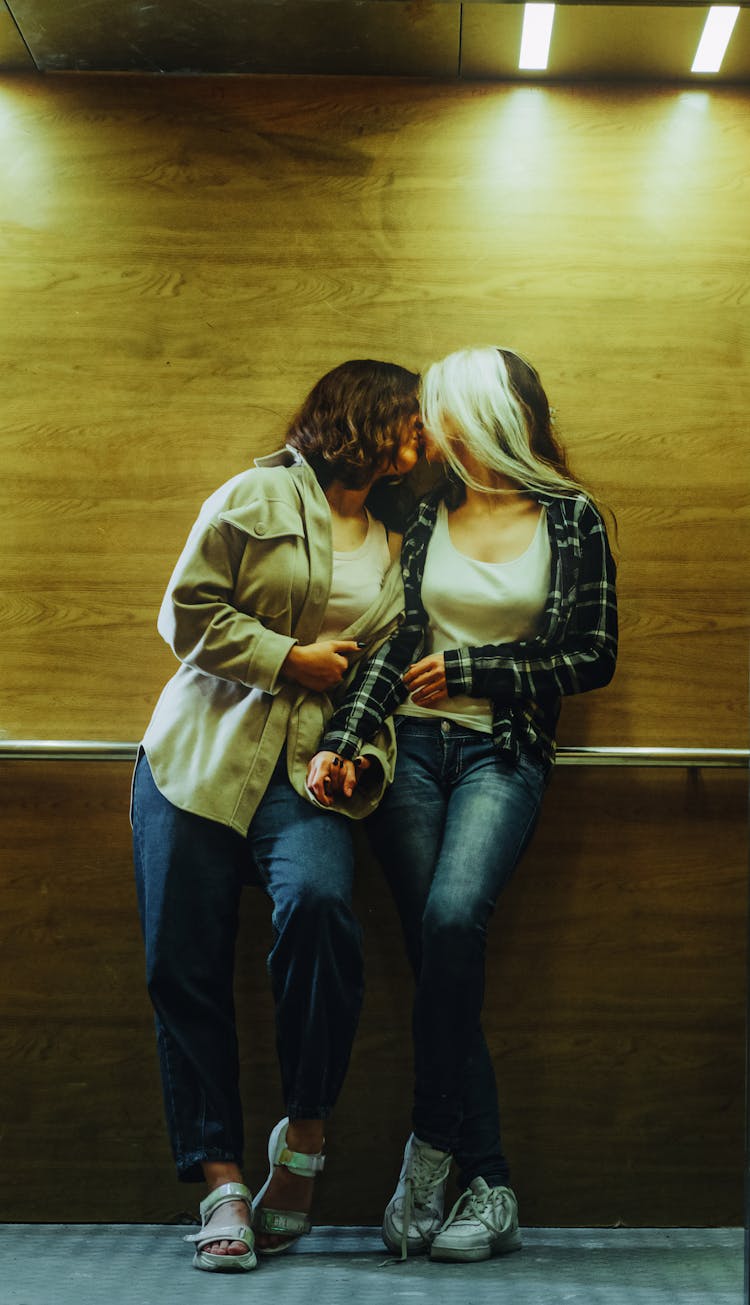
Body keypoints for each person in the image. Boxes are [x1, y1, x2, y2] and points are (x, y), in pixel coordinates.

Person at [307, 346, 618, 1263]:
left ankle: (433, 1151)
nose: (428, 431)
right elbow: (398, 641)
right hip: (407, 749)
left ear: (485, 415)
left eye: (441, 412)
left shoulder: (571, 517)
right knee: (441, 959)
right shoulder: (421, 508)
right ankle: (491, 1186)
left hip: (503, 750)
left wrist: (480, 670)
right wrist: (347, 739)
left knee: (451, 924)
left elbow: (593, 654)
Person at [132, 359, 422, 1272]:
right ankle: (221, 1182)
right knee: (184, 963)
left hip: (304, 780)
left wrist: (358, 760)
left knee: (323, 913)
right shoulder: (256, 492)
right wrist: (287, 658)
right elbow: (183, 612)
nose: (422, 437)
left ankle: (301, 1145)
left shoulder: (394, 545)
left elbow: (380, 688)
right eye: (410, 418)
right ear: (363, 416)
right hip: (197, 764)